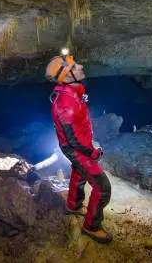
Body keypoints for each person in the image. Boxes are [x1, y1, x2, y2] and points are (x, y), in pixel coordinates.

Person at [45, 51, 112, 244]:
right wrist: (92, 152)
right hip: (76, 148)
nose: (80, 67)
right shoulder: (66, 101)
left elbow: (78, 127)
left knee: (79, 172)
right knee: (102, 187)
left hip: (79, 145)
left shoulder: (74, 92)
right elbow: (73, 139)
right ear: (66, 76)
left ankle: (73, 205)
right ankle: (92, 226)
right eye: (74, 67)